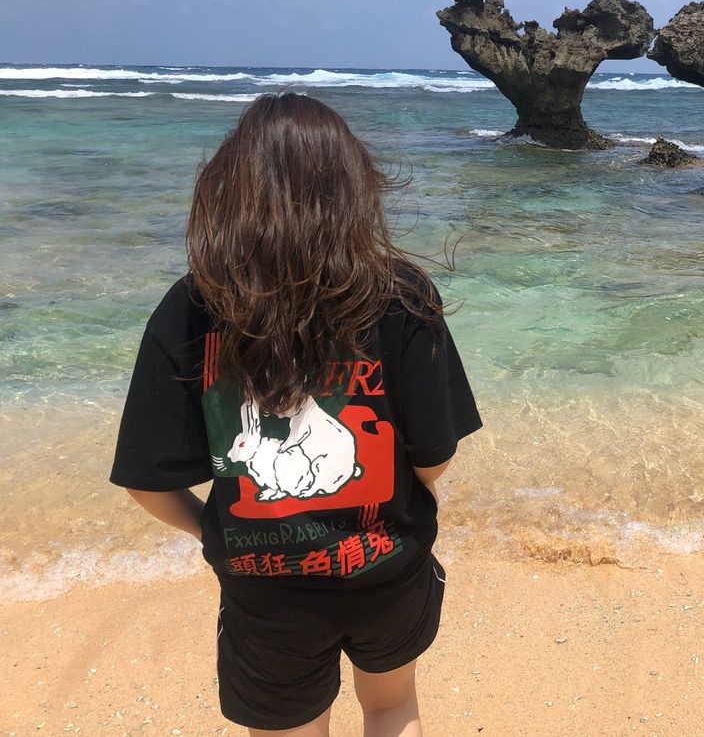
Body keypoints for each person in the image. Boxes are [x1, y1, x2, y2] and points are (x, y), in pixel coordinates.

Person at [109, 92, 483, 736]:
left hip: (265, 592)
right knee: (392, 708)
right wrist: (403, 498)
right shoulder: (401, 294)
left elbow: (148, 482)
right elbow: (435, 455)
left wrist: (214, 532)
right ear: (355, 188)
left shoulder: (194, 305)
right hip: (386, 566)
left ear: (227, 189)